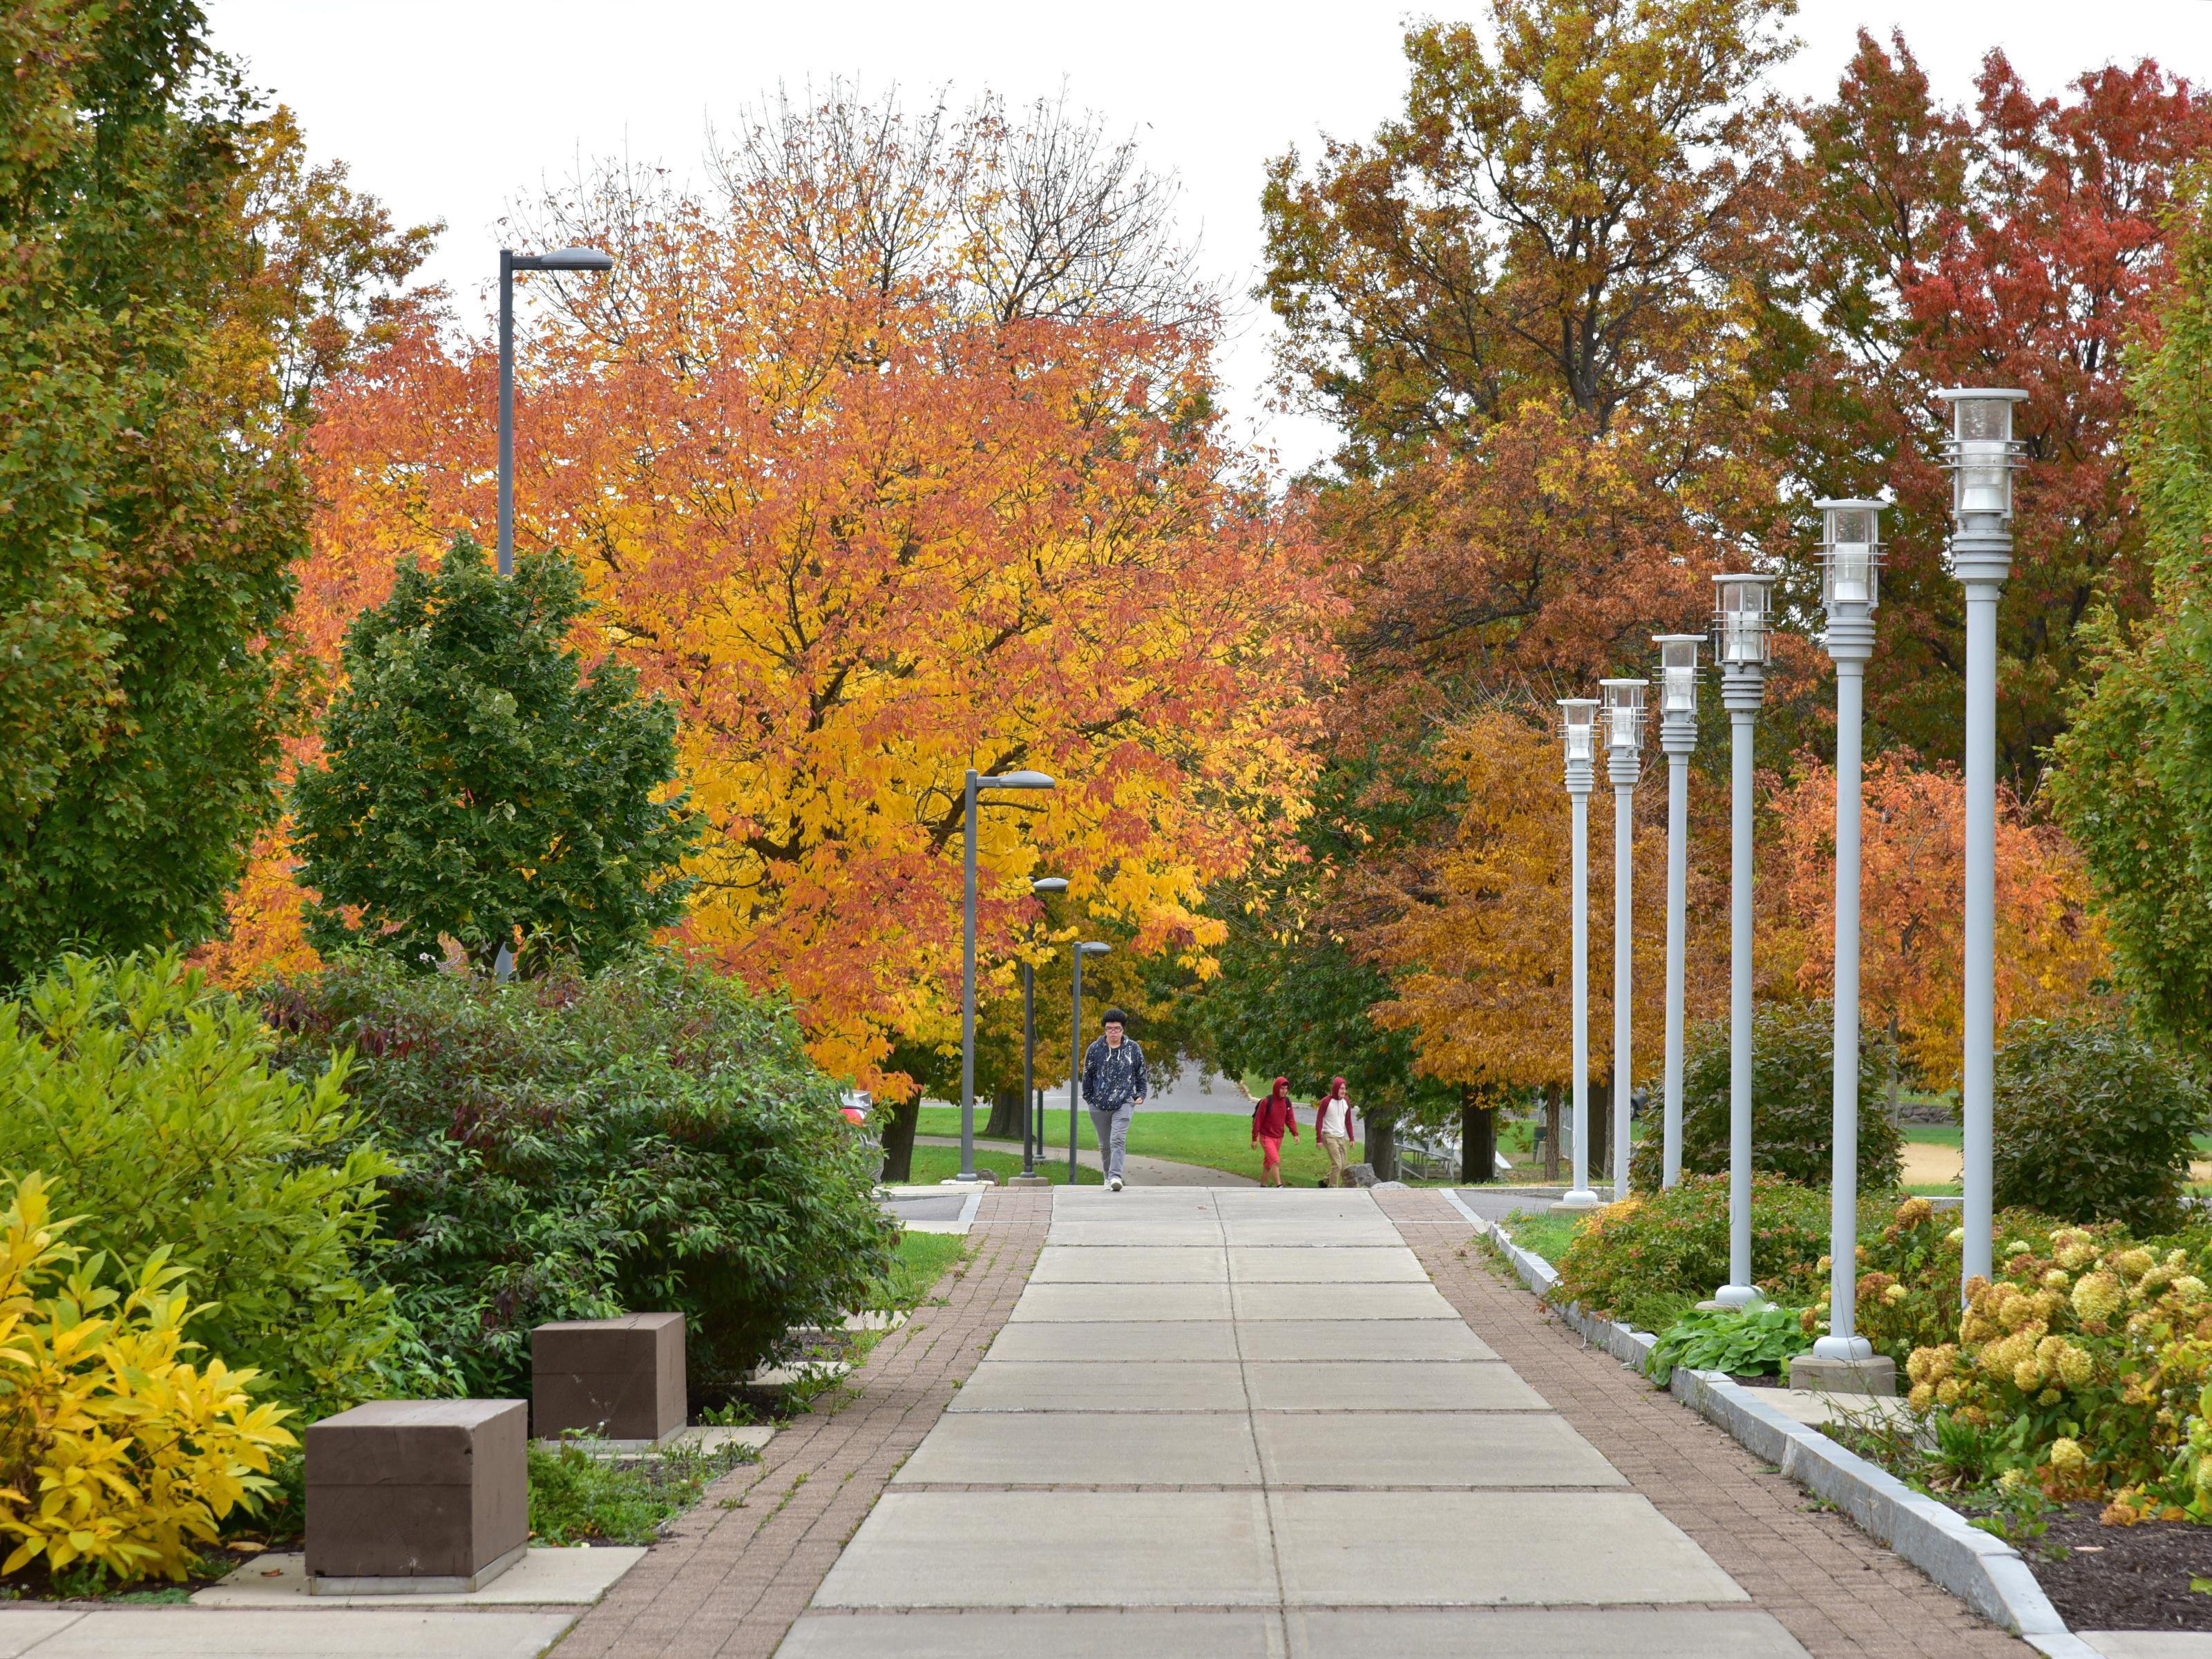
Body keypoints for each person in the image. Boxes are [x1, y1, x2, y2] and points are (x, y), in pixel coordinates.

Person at [1079, 1008, 1147, 1191]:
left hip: (1124, 1101)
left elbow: (1141, 1073)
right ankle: (1107, 1177)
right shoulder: (1095, 1049)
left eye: (1117, 1029)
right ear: (1105, 1030)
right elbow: (1087, 1075)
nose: (1113, 1032)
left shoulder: (1133, 1049)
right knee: (1105, 1145)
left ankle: (1116, 1176)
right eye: (1110, 1029)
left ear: (1123, 1030)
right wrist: (1089, 1099)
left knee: (1117, 1139)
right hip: (1099, 1103)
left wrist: (1140, 1094)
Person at [1251, 1076, 1298, 1187]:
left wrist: (1295, 1133)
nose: (1284, 1091)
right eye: (1282, 1088)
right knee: (1275, 1161)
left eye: (1286, 1089)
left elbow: (1290, 1119)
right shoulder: (1267, 1101)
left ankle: (1263, 1186)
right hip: (1266, 1137)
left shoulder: (1287, 1102)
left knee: (1268, 1164)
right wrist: (1254, 1138)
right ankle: (1279, 1186)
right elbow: (1258, 1120)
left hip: (1279, 1137)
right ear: (1277, 1088)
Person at [1315, 1075, 1357, 1188]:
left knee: (1343, 1166)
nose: (1344, 1091)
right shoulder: (1326, 1102)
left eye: (1345, 1089)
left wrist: (1352, 1138)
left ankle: (1325, 1182)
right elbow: (1319, 1120)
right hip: (1329, 1136)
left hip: (1341, 1136)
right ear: (1336, 1088)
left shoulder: (1346, 1101)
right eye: (1341, 1089)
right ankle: (1333, 1188)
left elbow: (1348, 1121)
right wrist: (1319, 1139)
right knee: (1337, 1164)